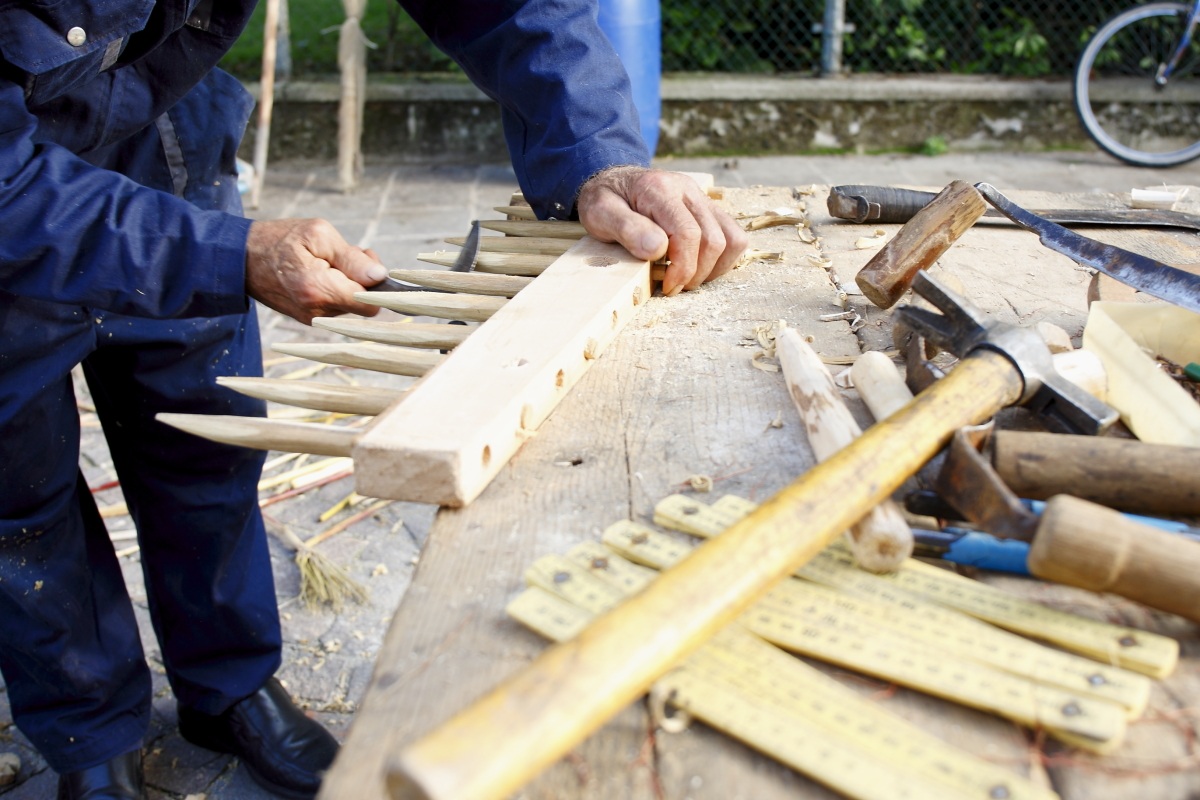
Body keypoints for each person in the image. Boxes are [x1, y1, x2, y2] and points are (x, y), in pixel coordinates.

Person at [0, 2, 748, 799]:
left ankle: (230, 687)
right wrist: (232, 252)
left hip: (155, 121)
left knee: (208, 445)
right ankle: (89, 733)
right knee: (21, 498)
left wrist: (595, 154)